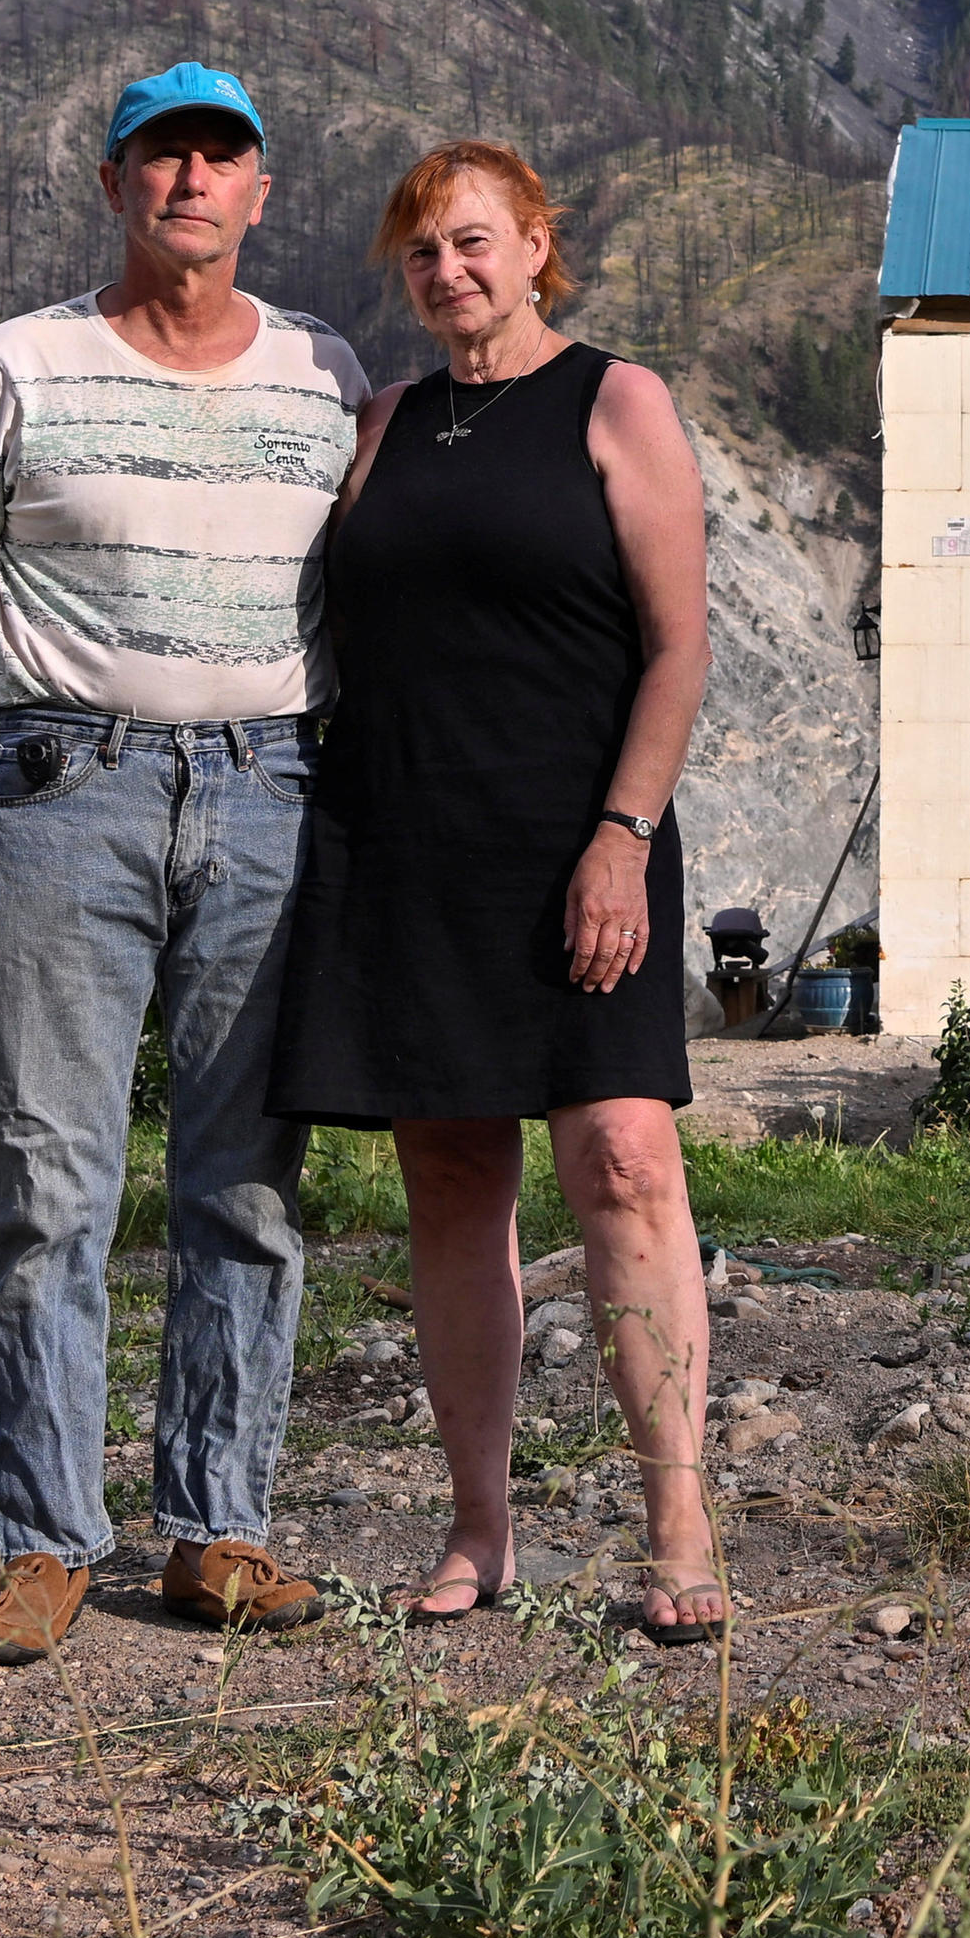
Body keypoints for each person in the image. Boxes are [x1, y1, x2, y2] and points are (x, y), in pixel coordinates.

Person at [0, 62, 367, 1665]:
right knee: (48, 1181)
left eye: (219, 153)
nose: (190, 177)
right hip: (62, 791)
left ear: (259, 190)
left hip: (271, 797)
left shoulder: (327, 374)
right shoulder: (15, 366)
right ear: (113, 185)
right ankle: (44, 1543)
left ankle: (217, 1527)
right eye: (160, 153)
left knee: (247, 1182)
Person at [272, 140, 725, 1642]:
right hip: (405, 846)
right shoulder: (382, 422)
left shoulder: (619, 403)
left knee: (622, 1165)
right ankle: (480, 1535)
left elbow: (677, 649)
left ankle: (679, 1529)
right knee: (454, 1190)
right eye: (421, 253)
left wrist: (622, 834)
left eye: (475, 243)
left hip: (578, 844)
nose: (448, 273)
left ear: (539, 245)